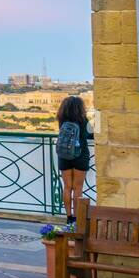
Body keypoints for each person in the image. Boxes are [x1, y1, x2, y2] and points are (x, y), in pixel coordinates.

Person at [55, 95, 94, 225]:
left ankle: (69, 217)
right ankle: (77, 219)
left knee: (67, 187)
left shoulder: (61, 119)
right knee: (78, 188)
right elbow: (92, 134)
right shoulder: (82, 120)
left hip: (64, 155)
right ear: (80, 107)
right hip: (80, 156)